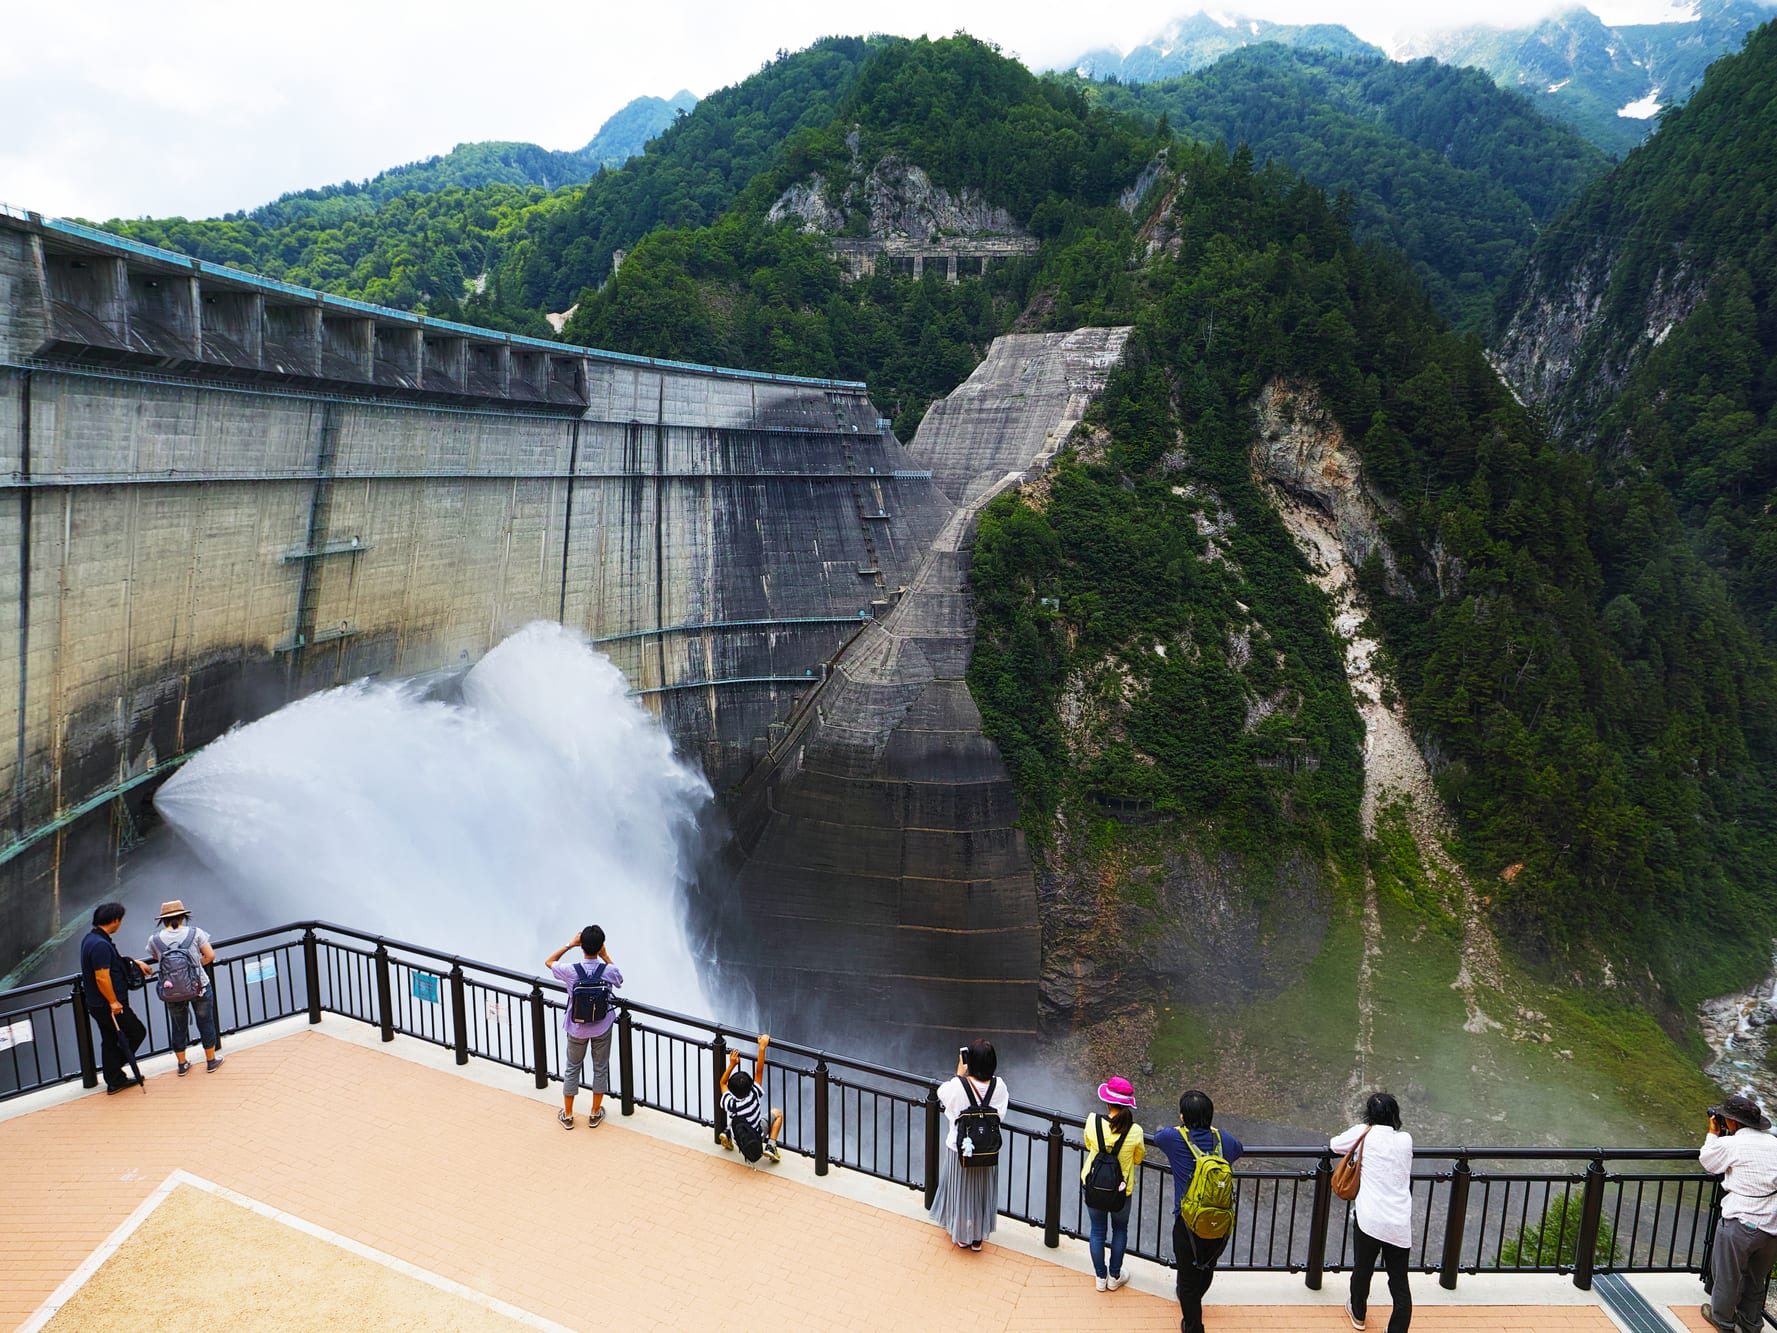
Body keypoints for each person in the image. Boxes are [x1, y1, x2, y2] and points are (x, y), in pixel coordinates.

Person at [1151, 1089, 1244, 1333]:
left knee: (1187, 1275)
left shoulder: (1174, 1139)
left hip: (1188, 1222)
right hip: (1220, 1222)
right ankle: (1191, 1300)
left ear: (1182, 1117)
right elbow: (1240, 1148)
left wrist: (1179, 1127)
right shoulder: (1224, 1141)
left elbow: (1158, 1136)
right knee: (1207, 1267)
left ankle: (1193, 1326)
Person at [1330, 1092, 1414, 1332]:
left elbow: (1335, 1144)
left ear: (1369, 1114)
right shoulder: (1406, 1139)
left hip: (1370, 1218)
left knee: (1363, 1268)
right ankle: (1397, 1329)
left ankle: (1358, 1314)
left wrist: (1364, 1128)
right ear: (1395, 1115)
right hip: (1399, 1221)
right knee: (1399, 1281)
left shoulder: (1364, 1133)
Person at [1698, 1092, 1777, 1333]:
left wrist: (1713, 1132)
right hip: (1772, 1225)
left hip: (1740, 1223)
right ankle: (1751, 1322)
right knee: (1756, 1279)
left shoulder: (1732, 1144)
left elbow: (1709, 1162)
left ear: (1732, 1121)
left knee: (1728, 1275)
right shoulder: (1774, 1143)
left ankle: (1722, 1320)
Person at [929, 1039, 1009, 1251]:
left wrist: (958, 1075)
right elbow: (1000, 1113)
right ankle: (977, 1237)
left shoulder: (958, 1085)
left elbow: (942, 1095)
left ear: (969, 1062)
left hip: (961, 1148)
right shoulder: (998, 1086)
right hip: (988, 1148)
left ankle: (963, 1236)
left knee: (961, 1191)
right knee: (981, 1192)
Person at [544, 925, 622, 1129]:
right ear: (601, 946)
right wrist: (605, 956)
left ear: (582, 946)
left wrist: (570, 944)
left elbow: (549, 962)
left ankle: (568, 1115)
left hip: (577, 1027)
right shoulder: (608, 971)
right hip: (602, 1026)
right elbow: (620, 979)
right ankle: (595, 1113)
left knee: (572, 1068)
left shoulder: (571, 971)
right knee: (600, 1068)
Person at [1081, 1074, 1146, 1291]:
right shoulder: (1135, 1132)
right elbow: (1138, 1159)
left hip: (1094, 1185)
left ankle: (1100, 1277)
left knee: (1097, 1230)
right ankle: (1114, 1276)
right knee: (1120, 1230)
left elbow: (1089, 1143)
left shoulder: (1093, 1121)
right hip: (1121, 1191)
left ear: (1107, 1101)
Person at [79, 902, 151, 1094]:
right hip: (108, 1004)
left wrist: (133, 962)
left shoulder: (92, 939)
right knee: (137, 1032)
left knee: (110, 1039)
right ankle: (112, 1073)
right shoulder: (101, 945)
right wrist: (113, 1001)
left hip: (97, 1003)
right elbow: (102, 976)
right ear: (115, 920)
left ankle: (114, 1079)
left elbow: (111, 962)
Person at [146, 899, 223, 1075]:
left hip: (172, 989)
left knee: (178, 1025)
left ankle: (182, 1064)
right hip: (199, 986)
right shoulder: (195, 933)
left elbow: (158, 958)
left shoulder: (155, 939)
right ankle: (211, 1061)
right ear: (183, 916)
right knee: (205, 1021)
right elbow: (210, 955)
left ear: (162, 920)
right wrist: (194, 966)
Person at [718, 1033, 784, 1164]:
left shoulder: (730, 1102)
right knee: (778, 1113)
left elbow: (722, 1083)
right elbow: (759, 1072)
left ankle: (729, 1133)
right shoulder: (754, 1094)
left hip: (739, 1137)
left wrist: (731, 1065)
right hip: (756, 1136)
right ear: (750, 1086)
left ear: (732, 1090)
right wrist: (762, 1047)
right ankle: (771, 1145)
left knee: (735, 1119)